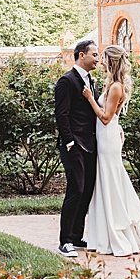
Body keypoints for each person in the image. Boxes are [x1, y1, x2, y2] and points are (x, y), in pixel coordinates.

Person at [81, 45, 140, 256]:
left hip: (107, 139)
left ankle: (115, 230)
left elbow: (105, 118)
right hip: (106, 136)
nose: (100, 62)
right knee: (103, 182)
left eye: (103, 58)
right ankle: (101, 233)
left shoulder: (116, 88)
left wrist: (90, 98)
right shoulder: (111, 85)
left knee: (109, 181)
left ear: (111, 61)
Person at [53, 39, 100, 257]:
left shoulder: (91, 80)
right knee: (76, 189)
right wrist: (69, 141)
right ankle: (65, 241)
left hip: (91, 144)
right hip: (74, 145)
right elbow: (61, 114)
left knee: (87, 190)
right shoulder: (66, 81)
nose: (97, 59)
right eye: (94, 55)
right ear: (82, 55)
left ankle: (77, 236)